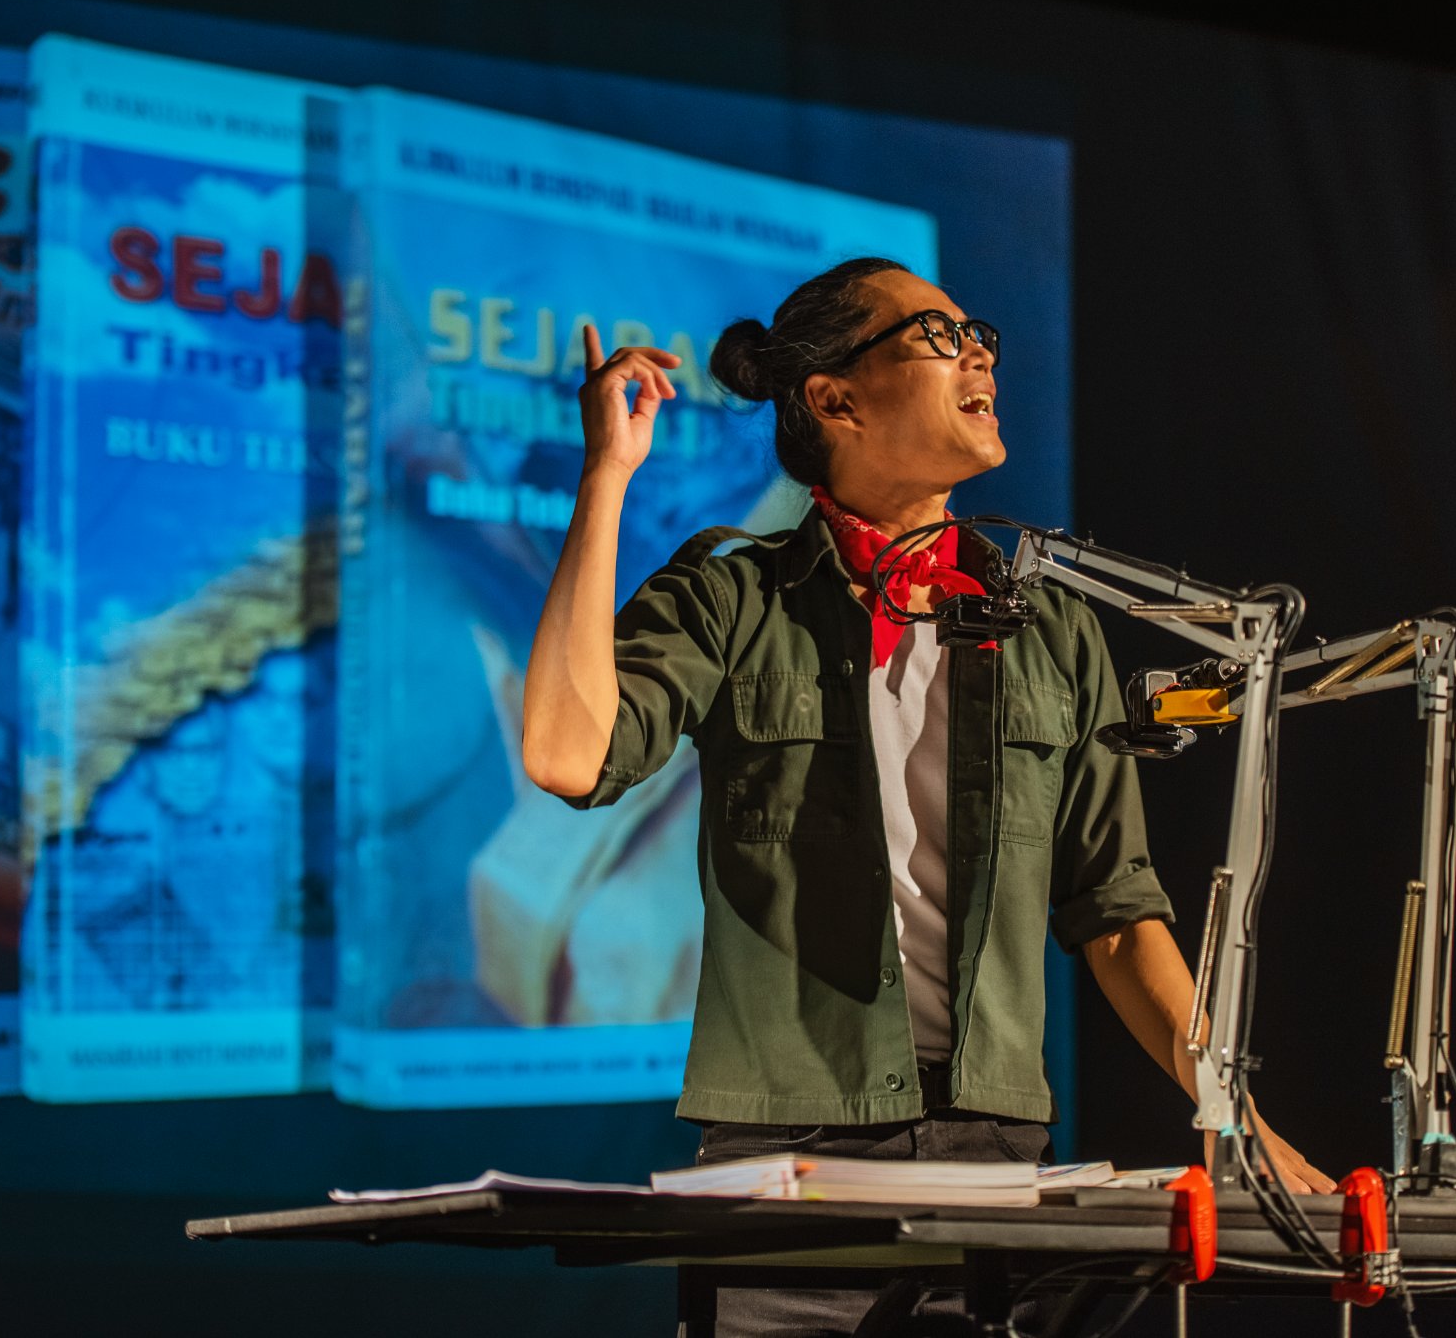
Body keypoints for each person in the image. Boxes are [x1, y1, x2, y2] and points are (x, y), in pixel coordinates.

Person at [523, 257, 1332, 1332]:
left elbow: (1117, 916)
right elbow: (565, 753)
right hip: (784, 1171)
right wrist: (606, 478)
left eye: (977, 332)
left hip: (994, 1164)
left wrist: (1241, 1125)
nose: (979, 350)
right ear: (833, 396)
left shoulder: (1050, 624)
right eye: (937, 335)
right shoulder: (731, 591)